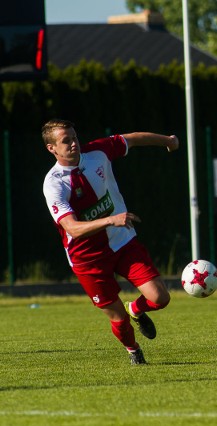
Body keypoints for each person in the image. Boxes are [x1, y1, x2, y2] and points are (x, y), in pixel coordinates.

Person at [42, 119, 179, 365]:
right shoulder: (54, 184)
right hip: (87, 258)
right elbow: (71, 227)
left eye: (74, 137)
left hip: (122, 241)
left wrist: (167, 141)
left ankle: (136, 309)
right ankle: (133, 349)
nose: (74, 143)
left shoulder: (97, 152)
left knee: (160, 298)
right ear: (52, 148)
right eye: (66, 141)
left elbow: (133, 138)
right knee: (117, 319)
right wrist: (110, 220)